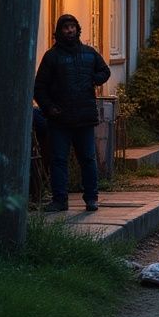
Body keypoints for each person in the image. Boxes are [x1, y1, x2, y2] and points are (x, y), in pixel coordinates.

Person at [33, 14, 110, 212]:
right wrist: (49, 108)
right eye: (65, 27)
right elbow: (39, 87)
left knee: (88, 158)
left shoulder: (89, 53)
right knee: (59, 159)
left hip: (84, 118)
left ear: (77, 29)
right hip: (60, 119)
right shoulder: (52, 57)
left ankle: (92, 198)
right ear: (59, 31)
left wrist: (93, 79)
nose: (69, 30)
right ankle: (60, 199)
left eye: (72, 27)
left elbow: (105, 71)